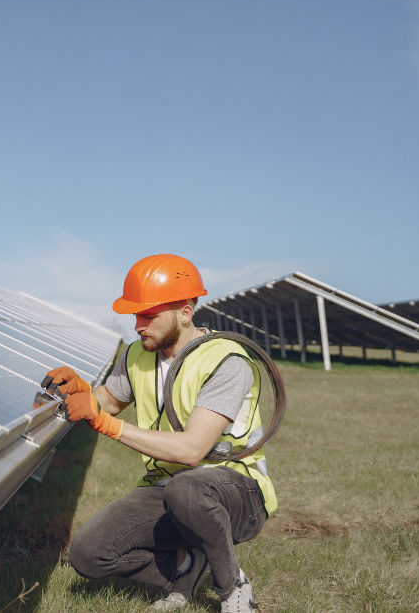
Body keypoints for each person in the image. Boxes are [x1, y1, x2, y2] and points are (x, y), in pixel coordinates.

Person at [43, 254, 276, 613]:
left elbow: (192, 450)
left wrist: (106, 425)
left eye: (148, 315)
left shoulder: (227, 361)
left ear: (185, 311)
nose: (138, 325)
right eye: (135, 315)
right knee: (88, 555)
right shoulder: (138, 354)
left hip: (236, 492)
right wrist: (81, 391)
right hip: (168, 487)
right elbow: (108, 401)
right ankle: (185, 568)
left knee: (189, 488)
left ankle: (233, 590)